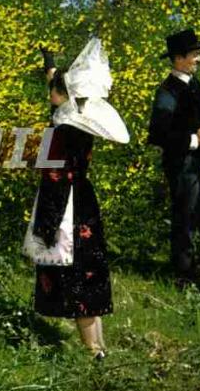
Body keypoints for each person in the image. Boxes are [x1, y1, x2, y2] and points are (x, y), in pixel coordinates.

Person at [23, 39, 129, 360]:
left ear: (61, 96)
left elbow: (55, 177)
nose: (48, 97)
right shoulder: (78, 120)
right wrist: (50, 67)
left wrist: (47, 226)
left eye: (51, 92)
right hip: (84, 198)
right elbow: (60, 97)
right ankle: (100, 345)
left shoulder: (60, 133)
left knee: (77, 274)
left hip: (65, 203)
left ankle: (93, 352)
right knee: (90, 268)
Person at [147, 28, 200, 289]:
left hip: (199, 166)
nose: (199, 58)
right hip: (182, 167)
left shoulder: (193, 84)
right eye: (195, 54)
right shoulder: (167, 91)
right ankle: (185, 278)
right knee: (186, 220)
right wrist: (194, 140)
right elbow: (159, 133)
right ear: (179, 58)